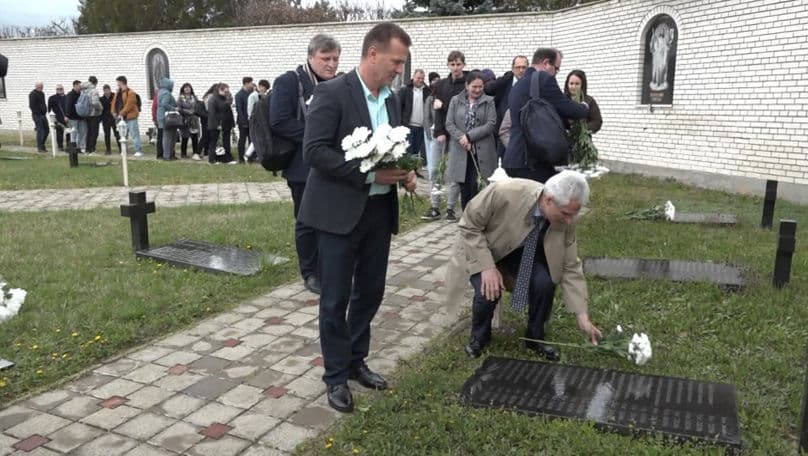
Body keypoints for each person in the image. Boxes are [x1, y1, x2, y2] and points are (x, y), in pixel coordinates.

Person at [300, 22, 416, 414]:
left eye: (401, 63)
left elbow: (394, 147)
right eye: (395, 61)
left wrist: (406, 171)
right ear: (372, 54)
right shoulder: (332, 92)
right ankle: (335, 377)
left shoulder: (394, 99)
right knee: (334, 298)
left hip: (379, 212)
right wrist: (368, 173)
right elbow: (314, 152)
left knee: (371, 291)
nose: (399, 69)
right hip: (337, 214)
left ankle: (354, 360)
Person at [444, 171, 602, 361]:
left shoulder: (566, 217)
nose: (569, 220)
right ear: (549, 200)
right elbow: (469, 225)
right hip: (483, 248)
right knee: (488, 290)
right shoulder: (504, 192)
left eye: (573, 214)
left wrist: (582, 315)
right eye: (566, 214)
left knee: (545, 283)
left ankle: (534, 338)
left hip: (518, 253)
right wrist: (487, 267)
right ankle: (479, 337)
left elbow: (570, 266)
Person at [271, 34, 341, 295]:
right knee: (306, 219)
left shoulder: (338, 84)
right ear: (311, 57)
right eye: (326, 59)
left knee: (330, 218)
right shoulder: (290, 82)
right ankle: (310, 272)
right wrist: (316, 138)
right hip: (302, 165)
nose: (331, 64)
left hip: (332, 163)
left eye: (335, 59)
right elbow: (279, 121)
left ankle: (329, 267)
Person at [503, 48, 589, 183]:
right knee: (543, 202)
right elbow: (568, 108)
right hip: (534, 162)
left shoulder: (518, 85)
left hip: (514, 159)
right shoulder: (543, 79)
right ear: (546, 63)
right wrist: (584, 106)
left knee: (523, 203)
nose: (555, 73)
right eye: (556, 69)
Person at [445, 71, 497, 210]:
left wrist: (470, 136)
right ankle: (466, 217)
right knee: (464, 186)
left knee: (478, 185)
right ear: (467, 86)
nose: (478, 90)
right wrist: (461, 137)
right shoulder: (455, 100)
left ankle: (478, 217)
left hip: (482, 151)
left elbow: (491, 124)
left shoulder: (489, 101)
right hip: (461, 149)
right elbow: (449, 123)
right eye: (474, 86)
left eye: (480, 87)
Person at [433, 50, 469, 222]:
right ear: (448, 65)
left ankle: (450, 208)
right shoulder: (441, 85)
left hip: (457, 133)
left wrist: (444, 105)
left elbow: (461, 110)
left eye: (458, 64)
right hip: (441, 134)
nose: (455, 68)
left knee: (454, 172)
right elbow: (437, 110)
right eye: (452, 64)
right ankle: (434, 205)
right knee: (435, 170)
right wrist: (439, 131)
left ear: (463, 65)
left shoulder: (466, 85)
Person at [485, 55, 528, 154]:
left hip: (522, 135)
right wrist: (504, 79)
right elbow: (488, 89)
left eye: (524, 67)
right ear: (513, 69)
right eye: (518, 67)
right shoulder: (505, 82)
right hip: (503, 133)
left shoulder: (531, 84)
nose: (521, 70)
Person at [397, 68, 429, 158]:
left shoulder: (427, 91)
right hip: (408, 126)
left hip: (421, 127)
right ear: (413, 77)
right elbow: (398, 107)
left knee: (416, 151)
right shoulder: (405, 90)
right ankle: (406, 171)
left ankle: (413, 171)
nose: (420, 80)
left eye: (422, 79)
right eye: (418, 78)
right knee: (408, 151)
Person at [111, 76, 143, 157]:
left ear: (121, 82)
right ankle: (124, 150)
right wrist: (113, 112)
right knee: (123, 135)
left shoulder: (131, 92)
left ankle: (138, 150)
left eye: (118, 82)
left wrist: (121, 113)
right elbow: (114, 103)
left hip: (130, 117)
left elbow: (129, 105)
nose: (117, 84)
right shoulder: (118, 92)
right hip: (121, 118)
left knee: (134, 134)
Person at [205, 83, 237, 164]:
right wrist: (217, 124)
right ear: (220, 90)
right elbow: (214, 113)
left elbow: (228, 111)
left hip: (226, 124)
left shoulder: (223, 98)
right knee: (214, 142)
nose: (227, 93)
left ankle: (226, 158)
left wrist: (232, 123)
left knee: (226, 142)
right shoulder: (213, 99)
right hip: (216, 125)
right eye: (225, 91)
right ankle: (212, 159)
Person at [564, 69, 602, 134]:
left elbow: (597, 121)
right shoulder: (562, 100)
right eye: (571, 83)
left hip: (582, 141)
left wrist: (583, 129)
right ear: (567, 84)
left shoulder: (589, 101)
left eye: (577, 84)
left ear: (582, 85)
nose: (574, 87)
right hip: (564, 140)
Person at [177, 83, 201, 160]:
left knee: (195, 137)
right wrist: (187, 111)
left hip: (194, 119)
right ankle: (183, 153)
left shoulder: (194, 97)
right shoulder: (180, 98)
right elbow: (179, 108)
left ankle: (195, 153)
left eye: (189, 88)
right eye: (186, 88)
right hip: (185, 119)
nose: (187, 89)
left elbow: (198, 106)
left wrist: (195, 112)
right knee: (185, 137)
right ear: (183, 89)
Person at [156, 77, 178, 160]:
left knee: (169, 136)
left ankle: (169, 154)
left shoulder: (160, 92)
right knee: (169, 137)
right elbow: (164, 104)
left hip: (162, 116)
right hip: (168, 117)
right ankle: (167, 155)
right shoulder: (166, 93)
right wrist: (174, 109)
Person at [235, 76, 254, 163]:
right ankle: (241, 158)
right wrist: (243, 122)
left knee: (251, 139)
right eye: (251, 83)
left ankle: (250, 157)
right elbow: (239, 109)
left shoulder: (251, 93)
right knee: (242, 139)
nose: (252, 85)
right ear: (246, 83)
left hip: (251, 121)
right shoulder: (239, 95)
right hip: (243, 121)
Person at [65, 80, 87, 153]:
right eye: (79, 86)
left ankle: (81, 148)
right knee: (74, 133)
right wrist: (67, 116)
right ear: (75, 86)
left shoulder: (82, 95)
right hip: (72, 118)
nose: (80, 87)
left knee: (82, 133)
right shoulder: (70, 95)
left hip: (81, 117)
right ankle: (73, 148)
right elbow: (68, 105)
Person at [100, 84, 121, 154]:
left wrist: (117, 114)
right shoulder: (102, 99)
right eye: (105, 91)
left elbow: (118, 105)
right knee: (107, 134)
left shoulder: (114, 96)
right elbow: (101, 110)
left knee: (117, 133)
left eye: (107, 90)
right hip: (105, 119)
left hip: (114, 118)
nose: (106, 92)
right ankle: (108, 149)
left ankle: (121, 148)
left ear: (110, 90)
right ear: (103, 91)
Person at [85, 76, 103, 154]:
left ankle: (87, 149)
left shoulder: (84, 90)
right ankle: (92, 149)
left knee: (88, 132)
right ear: (95, 83)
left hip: (86, 114)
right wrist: (101, 108)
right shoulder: (94, 91)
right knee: (94, 132)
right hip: (94, 114)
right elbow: (95, 102)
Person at [28, 81, 48, 152]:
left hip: (43, 115)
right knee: (40, 131)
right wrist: (38, 112)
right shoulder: (33, 94)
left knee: (46, 130)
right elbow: (31, 106)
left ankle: (42, 145)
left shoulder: (42, 94)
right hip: (37, 115)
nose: (40, 88)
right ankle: (40, 147)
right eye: (39, 87)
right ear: (36, 86)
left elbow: (43, 103)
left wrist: (45, 110)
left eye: (41, 87)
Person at [47, 84, 68, 151]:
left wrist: (68, 116)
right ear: (56, 90)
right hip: (57, 118)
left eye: (61, 89)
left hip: (67, 118)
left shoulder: (67, 97)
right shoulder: (52, 98)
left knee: (69, 133)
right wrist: (53, 119)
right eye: (58, 89)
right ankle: (60, 146)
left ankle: (69, 146)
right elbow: (49, 110)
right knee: (59, 133)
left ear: (63, 89)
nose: (59, 90)